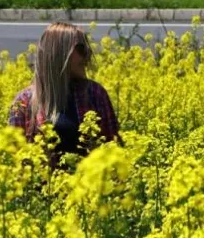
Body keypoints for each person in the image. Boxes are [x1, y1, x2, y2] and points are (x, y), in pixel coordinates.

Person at [8, 22, 122, 169]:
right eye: (81, 49)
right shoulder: (23, 101)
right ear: (59, 53)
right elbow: (14, 163)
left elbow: (115, 150)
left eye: (87, 49)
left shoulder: (95, 94)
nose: (87, 56)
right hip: (42, 190)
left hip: (89, 189)